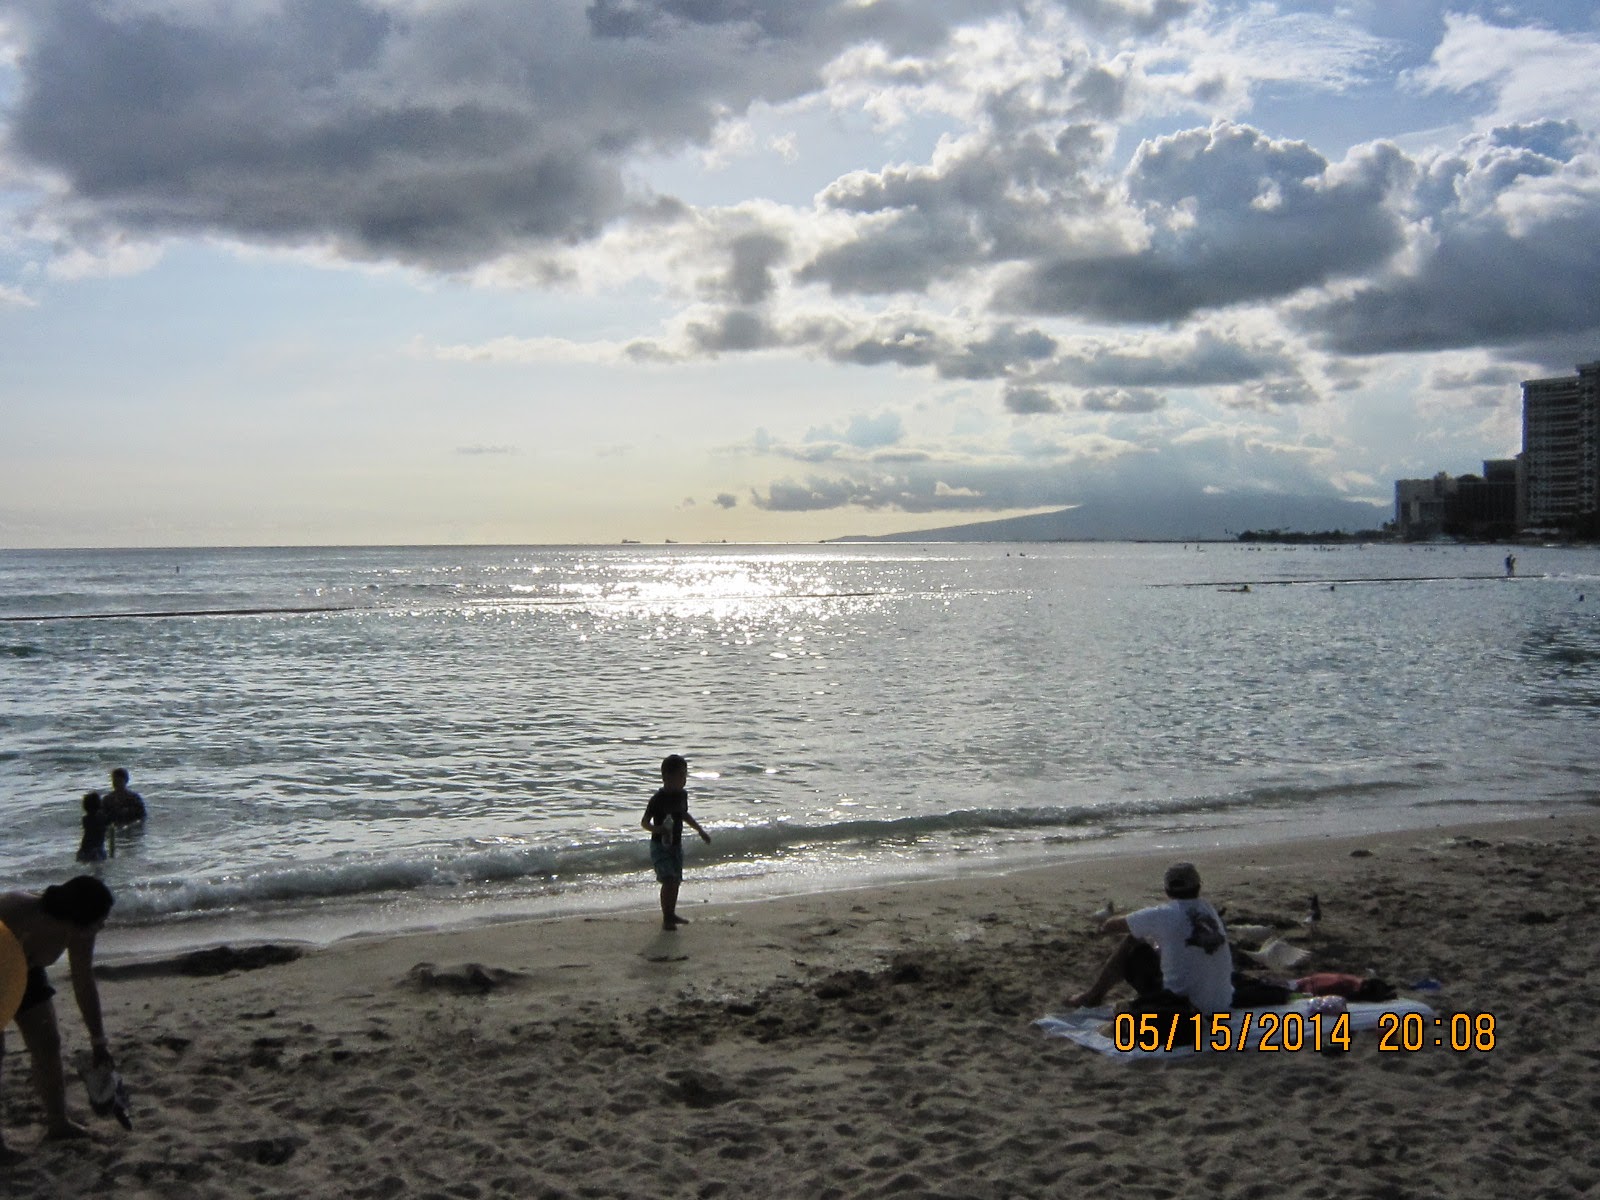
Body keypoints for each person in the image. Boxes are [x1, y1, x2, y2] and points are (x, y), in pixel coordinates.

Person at [0, 877, 117, 1162]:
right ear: (77, 917)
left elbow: (83, 982)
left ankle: (58, 1123)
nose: (102, 926)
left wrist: (98, 1041)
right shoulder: (14, 909)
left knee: (48, 1043)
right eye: (99, 920)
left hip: (28, 972)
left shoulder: (80, 933)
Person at [1069, 862, 1232, 1017]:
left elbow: (1110, 926)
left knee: (1132, 941)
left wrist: (1140, 922)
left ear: (1167, 890)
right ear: (1198, 886)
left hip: (1181, 1006)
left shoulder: (1164, 913)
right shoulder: (1208, 909)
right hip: (1221, 1004)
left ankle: (1093, 995)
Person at [640, 754, 710, 931]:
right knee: (668, 880)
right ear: (666, 778)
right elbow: (644, 823)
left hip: (676, 845)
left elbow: (684, 815)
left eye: (685, 775)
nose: (684, 780)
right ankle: (666, 917)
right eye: (680, 776)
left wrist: (699, 830)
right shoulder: (657, 799)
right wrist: (659, 830)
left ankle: (671, 913)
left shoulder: (682, 795)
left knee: (676, 881)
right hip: (660, 846)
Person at [75, 793, 112, 863]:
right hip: (97, 850)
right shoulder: (101, 817)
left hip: (83, 849)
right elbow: (109, 821)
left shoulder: (85, 819)